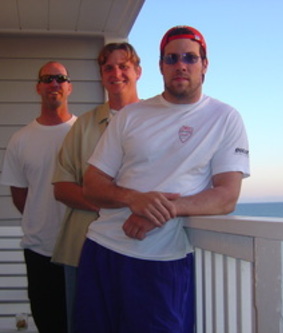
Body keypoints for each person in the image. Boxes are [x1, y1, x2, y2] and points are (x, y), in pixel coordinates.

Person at [79, 26, 250, 333]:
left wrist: (159, 210)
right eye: (171, 58)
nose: (180, 64)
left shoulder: (224, 118)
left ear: (204, 64)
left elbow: (226, 196)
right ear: (161, 66)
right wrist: (135, 199)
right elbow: (92, 185)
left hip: (162, 261)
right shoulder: (131, 116)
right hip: (102, 250)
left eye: (190, 57)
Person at [51, 42, 141, 333]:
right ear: (101, 76)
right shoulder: (84, 125)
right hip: (81, 249)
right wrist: (113, 202)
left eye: (123, 66)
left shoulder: (156, 120)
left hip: (141, 249)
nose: (116, 73)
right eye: (108, 68)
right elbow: (62, 186)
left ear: (138, 71)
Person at [0, 61, 77, 333]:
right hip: (39, 250)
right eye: (47, 79)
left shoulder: (83, 134)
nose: (54, 83)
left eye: (60, 78)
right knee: (48, 323)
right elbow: (20, 197)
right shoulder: (21, 139)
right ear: (38, 88)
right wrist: (41, 219)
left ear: (69, 87)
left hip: (80, 249)